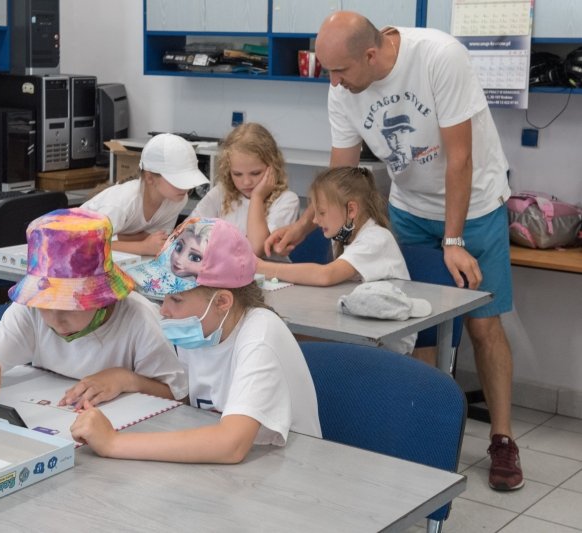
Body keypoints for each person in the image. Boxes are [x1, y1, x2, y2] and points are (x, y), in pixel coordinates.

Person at [265, 12, 521, 491]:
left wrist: (453, 239)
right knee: (409, 324)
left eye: (340, 71)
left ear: (371, 53)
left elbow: (459, 158)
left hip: (476, 204)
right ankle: (417, 431)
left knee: (484, 324)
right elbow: (340, 172)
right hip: (407, 206)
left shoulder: (438, 57)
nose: (334, 82)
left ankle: (503, 440)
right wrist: (305, 223)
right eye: (328, 73)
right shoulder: (341, 86)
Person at [70, 218, 321, 463]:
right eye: (163, 298)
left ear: (222, 302)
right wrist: (128, 380)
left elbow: (231, 445)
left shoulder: (260, 336)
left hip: (288, 473)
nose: (163, 311)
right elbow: (187, 397)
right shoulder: (204, 328)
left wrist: (113, 442)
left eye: (176, 300)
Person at [0, 208, 188, 407]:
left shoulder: (139, 318)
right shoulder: (29, 310)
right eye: (46, 303)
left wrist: (127, 379)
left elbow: (178, 395)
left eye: (70, 305)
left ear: (103, 297)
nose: (55, 318)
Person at [257, 166, 416, 355]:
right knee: (283, 339)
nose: (315, 220)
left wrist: (259, 266)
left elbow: (326, 275)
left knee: (287, 343)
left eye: (321, 213)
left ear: (351, 210)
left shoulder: (376, 238)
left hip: (386, 342)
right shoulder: (342, 236)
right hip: (357, 326)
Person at [82, 133, 208, 256]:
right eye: (178, 180)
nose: (186, 187)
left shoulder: (177, 199)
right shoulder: (122, 203)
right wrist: (142, 247)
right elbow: (86, 244)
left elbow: (155, 239)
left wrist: (123, 239)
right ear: (150, 178)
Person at [189, 123, 299, 257]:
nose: (246, 182)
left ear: (273, 167)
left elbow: (255, 249)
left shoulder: (287, 201)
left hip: (267, 276)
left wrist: (257, 197)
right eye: (237, 174)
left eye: (255, 173)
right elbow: (188, 233)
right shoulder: (221, 192)